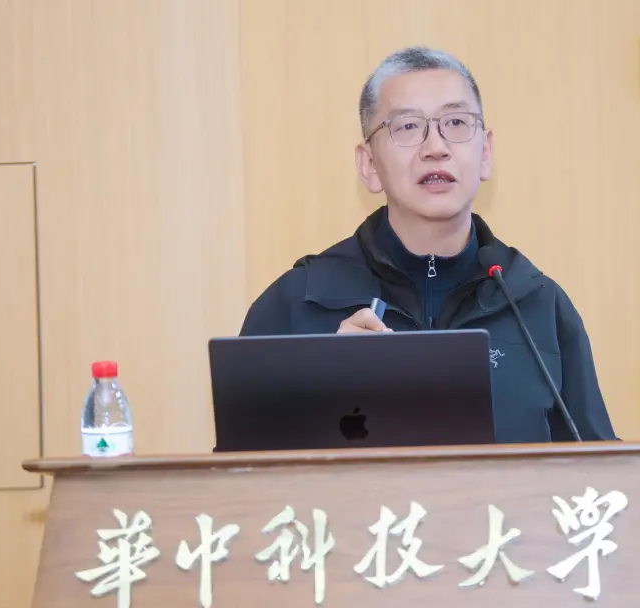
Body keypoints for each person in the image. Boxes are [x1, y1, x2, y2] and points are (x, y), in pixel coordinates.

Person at [239, 46, 616, 444]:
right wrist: (325, 388)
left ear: (485, 153)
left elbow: (601, 471)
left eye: (456, 122)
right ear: (369, 165)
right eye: (406, 127)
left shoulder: (538, 304)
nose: (435, 147)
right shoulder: (295, 305)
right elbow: (239, 471)